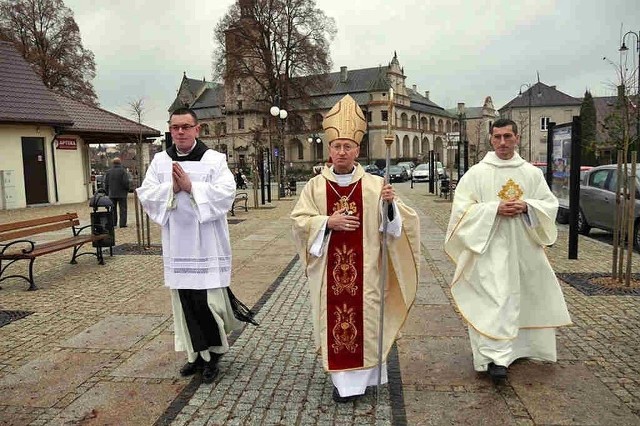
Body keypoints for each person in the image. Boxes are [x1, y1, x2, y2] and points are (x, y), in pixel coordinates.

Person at [290, 95, 420, 403]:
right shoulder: (315, 187)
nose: (342, 152)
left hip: (367, 272)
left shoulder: (376, 185)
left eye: (348, 146)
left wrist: (390, 207)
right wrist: (326, 221)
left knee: (366, 320)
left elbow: (397, 228)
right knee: (337, 318)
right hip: (329, 274)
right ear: (329, 149)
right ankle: (343, 383)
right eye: (337, 146)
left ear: (357, 150)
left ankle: (364, 378)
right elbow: (298, 222)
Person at [444, 118, 571, 381]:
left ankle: (522, 348)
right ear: (491, 139)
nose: (503, 142)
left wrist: (528, 207)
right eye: (498, 137)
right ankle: (495, 358)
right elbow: (460, 212)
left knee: (525, 297)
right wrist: (493, 209)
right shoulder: (477, 173)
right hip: (488, 250)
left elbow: (548, 204)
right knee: (496, 300)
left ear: (516, 139)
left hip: (524, 248)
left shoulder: (531, 173)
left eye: (508, 137)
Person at [136, 107, 256, 384]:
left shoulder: (214, 160)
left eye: (185, 127)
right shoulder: (159, 161)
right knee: (185, 302)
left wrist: (191, 187)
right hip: (178, 243)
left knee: (208, 302)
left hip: (207, 244)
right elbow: (147, 194)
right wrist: (172, 190)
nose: (179, 132)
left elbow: (226, 194)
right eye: (175, 127)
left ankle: (213, 355)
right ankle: (194, 354)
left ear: (197, 129)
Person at [104, 157, 130, 228]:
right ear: (120, 163)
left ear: (113, 163)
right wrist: (127, 189)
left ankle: (113, 223)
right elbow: (126, 182)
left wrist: (106, 192)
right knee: (123, 209)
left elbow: (106, 183)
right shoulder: (123, 171)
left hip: (112, 193)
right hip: (122, 194)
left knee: (112, 209)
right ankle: (122, 224)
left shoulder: (109, 172)